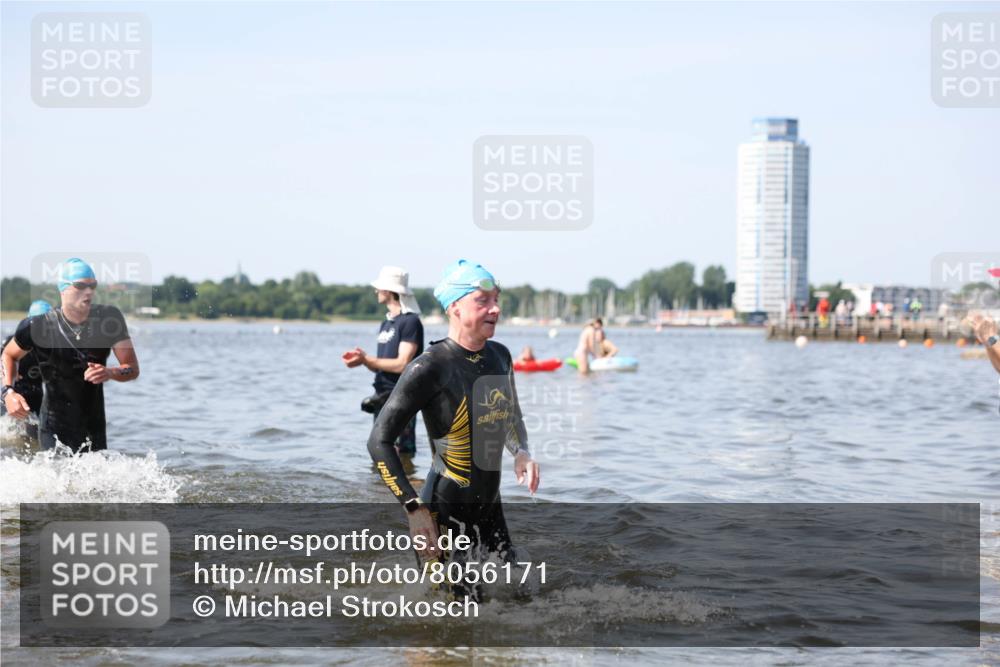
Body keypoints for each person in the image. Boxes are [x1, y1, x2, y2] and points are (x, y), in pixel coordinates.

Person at [367, 259, 540, 595]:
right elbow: (379, 441)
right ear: (455, 307)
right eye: (483, 300)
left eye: (496, 300)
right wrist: (413, 508)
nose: (495, 309)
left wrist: (522, 452)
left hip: (490, 509)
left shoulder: (500, 357)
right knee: (451, 618)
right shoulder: (429, 367)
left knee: (521, 599)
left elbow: (510, 414)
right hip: (442, 514)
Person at [1, 258, 140, 452]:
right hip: (53, 427)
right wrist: (8, 391)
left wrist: (110, 372)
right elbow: (8, 354)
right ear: (63, 289)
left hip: (94, 426)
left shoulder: (109, 320)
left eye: (93, 285)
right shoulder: (38, 326)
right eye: (81, 285)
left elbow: (132, 368)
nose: (89, 291)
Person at [344, 266, 424, 456]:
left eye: (379, 288)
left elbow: (402, 364)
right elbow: (384, 365)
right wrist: (363, 361)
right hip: (382, 395)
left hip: (402, 397)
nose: (376, 291)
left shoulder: (410, 322)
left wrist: (368, 359)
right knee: (380, 451)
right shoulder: (386, 322)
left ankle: (407, 483)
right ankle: (378, 486)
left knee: (400, 453)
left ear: (389, 290)